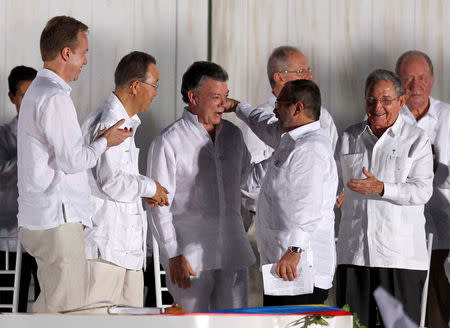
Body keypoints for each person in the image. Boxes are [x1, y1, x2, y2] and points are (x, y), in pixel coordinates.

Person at [17, 16, 132, 313]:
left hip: (41, 216)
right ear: (67, 53)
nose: (84, 61)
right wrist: (106, 141)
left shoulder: (35, 93)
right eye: (83, 53)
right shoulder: (54, 97)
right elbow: (72, 161)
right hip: (58, 218)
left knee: (52, 306)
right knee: (68, 311)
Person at [147, 61, 255, 313]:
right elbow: (157, 206)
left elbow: (249, 182)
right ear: (193, 97)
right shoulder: (168, 141)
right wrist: (172, 254)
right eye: (215, 97)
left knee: (235, 324)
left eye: (225, 97)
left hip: (233, 251)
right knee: (191, 324)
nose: (223, 104)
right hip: (189, 257)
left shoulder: (234, 136)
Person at [335, 69, 433, 327]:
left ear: (401, 102)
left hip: (400, 259)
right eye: (371, 100)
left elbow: (422, 190)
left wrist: (382, 188)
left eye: (386, 100)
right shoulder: (348, 138)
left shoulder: (417, 140)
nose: (377, 107)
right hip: (354, 255)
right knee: (352, 326)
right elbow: (333, 183)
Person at [229, 79, 338, 306]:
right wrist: (238, 107)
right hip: (283, 263)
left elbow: (309, 205)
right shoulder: (290, 138)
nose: (275, 109)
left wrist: (295, 249)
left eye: (280, 104)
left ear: (297, 108)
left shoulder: (310, 150)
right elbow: (264, 123)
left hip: (300, 264)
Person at [82, 51, 169, 307]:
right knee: (98, 323)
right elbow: (112, 181)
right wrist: (150, 187)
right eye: (154, 86)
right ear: (135, 86)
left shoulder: (123, 120)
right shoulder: (110, 121)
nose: (155, 93)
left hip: (123, 250)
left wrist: (145, 192)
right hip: (106, 250)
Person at [395, 50, 450, 328]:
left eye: (421, 78)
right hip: (401, 236)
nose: (415, 85)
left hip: (446, 231)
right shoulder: (388, 116)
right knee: (406, 311)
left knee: (440, 309)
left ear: (432, 80)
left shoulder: (449, 117)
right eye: (407, 79)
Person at [0, 66, 40, 312]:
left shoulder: (49, 133)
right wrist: (33, 153)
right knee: (9, 311)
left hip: (42, 237)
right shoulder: (3, 136)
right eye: (24, 95)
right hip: (9, 241)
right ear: (12, 98)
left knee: (48, 308)